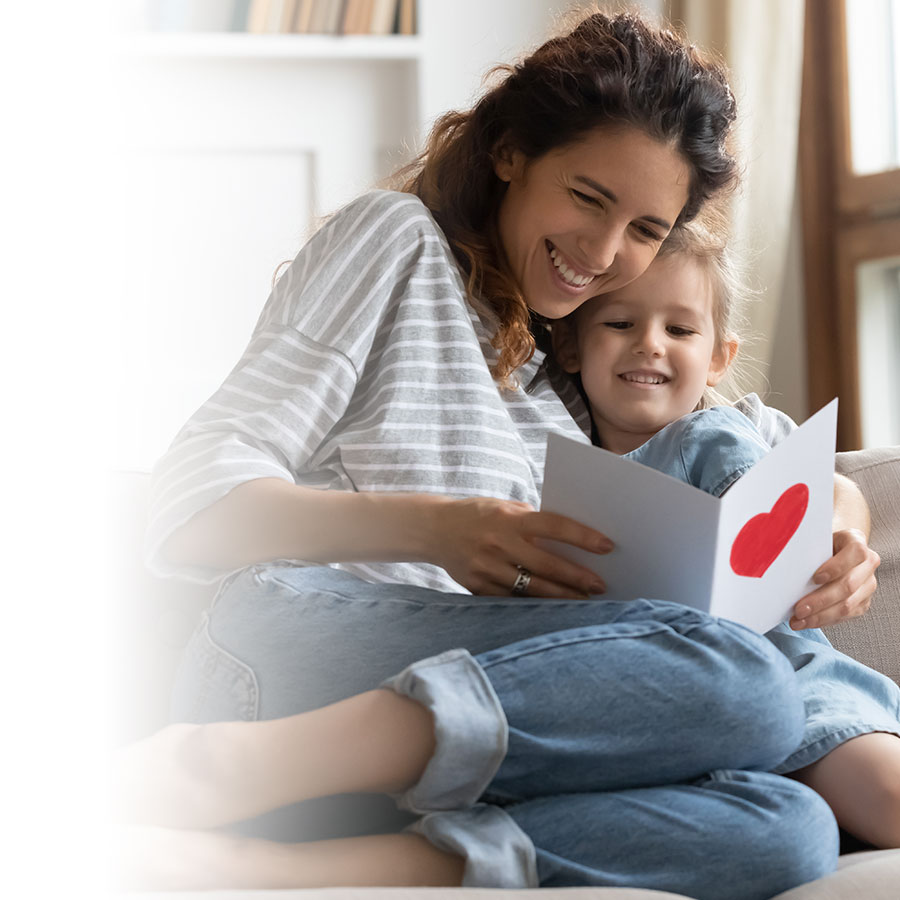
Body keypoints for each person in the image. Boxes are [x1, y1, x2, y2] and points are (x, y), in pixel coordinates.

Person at [118, 10, 879, 897]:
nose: (603, 254)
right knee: (747, 684)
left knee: (786, 828)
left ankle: (278, 865)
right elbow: (188, 504)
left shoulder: (575, 368)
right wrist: (441, 530)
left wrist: (843, 528)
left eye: (644, 228)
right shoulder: (395, 243)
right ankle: (213, 767)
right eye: (589, 198)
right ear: (510, 151)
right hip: (294, 649)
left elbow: (751, 443)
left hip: (480, 722)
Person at [550, 222, 900, 850]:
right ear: (571, 346)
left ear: (718, 357)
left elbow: (833, 486)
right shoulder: (554, 451)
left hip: (790, 669)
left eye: (679, 330)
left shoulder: (737, 425)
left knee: (888, 798)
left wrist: (841, 535)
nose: (650, 346)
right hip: (657, 701)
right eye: (621, 324)